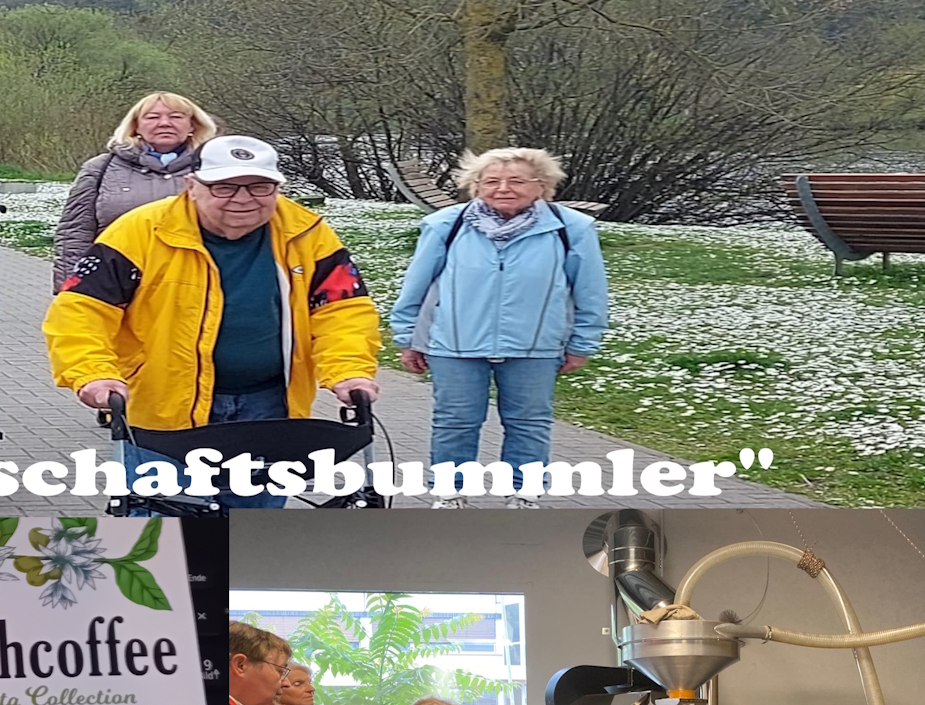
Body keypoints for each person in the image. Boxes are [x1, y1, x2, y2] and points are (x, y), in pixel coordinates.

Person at [43, 135, 382, 510]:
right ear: (192, 185)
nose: (243, 199)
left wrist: (349, 371)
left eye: (259, 187)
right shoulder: (139, 231)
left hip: (268, 409)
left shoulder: (307, 233)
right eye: (223, 187)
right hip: (163, 410)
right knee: (162, 529)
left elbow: (342, 310)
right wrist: (92, 373)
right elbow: (81, 310)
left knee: (251, 531)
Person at [386, 147, 609, 510]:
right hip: (454, 344)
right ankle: (449, 491)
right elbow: (417, 285)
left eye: (517, 181)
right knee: (455, 421)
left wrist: (582, 342)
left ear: (542, 186)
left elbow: (590, 289)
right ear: (475, 186)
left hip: (535, 345)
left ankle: (524, 493)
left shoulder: (572, 228)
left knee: (529, 422)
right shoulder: (446, 225)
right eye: (491, 181)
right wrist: (408, 337)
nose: (503, 188)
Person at [54, 92, 217, 287]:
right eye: (152, 117)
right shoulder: (100, 168)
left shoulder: (215, 168)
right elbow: (75, 232)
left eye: (176, 116)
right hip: (117, 283)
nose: (164, 123)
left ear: (193, 125)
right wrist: (71, 287)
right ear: (136, 126)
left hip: (196, 282)